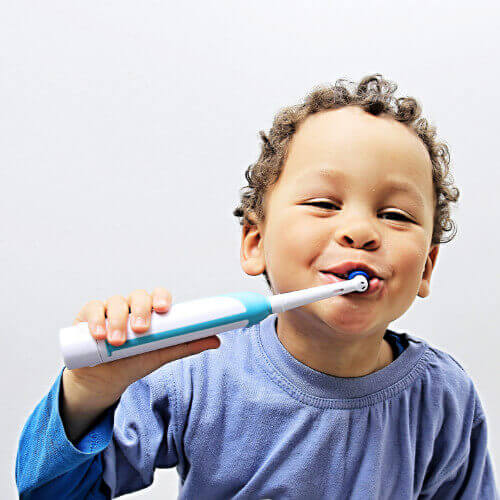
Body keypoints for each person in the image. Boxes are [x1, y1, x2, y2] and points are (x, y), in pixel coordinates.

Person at [16, 74, 498, 498]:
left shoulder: (444, 397)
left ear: (427, 267)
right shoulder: (196, 372)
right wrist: (86, 393)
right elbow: (49, 492)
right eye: (324, 203)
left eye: (395, 215)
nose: (360, 231)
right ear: (255, 242)